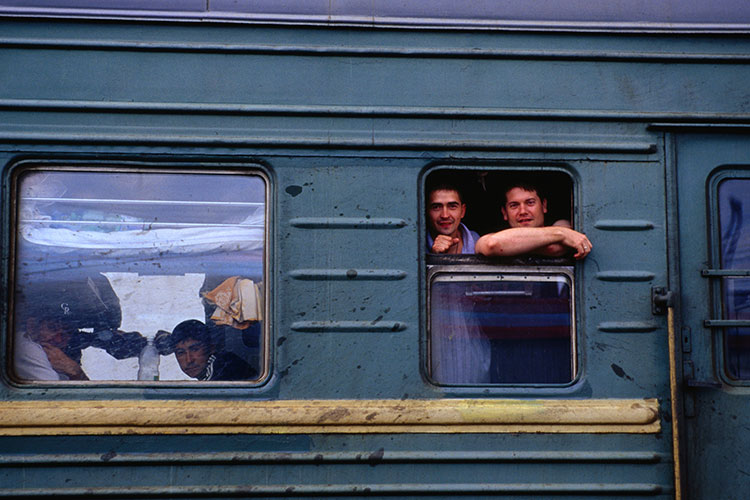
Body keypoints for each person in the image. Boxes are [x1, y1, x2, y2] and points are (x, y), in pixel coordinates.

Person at [475, 181, 592, 259]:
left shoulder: (561, 225)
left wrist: (510, 247)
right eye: (514, 205)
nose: (523, 211)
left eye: (530, 203)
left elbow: (554, 248)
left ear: (544, 205)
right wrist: (562, 234)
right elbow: (492, 244)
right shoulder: (560, 233)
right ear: (505, 213)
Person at [14, 306, 88, 381]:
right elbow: (51, 391)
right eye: (53, 328)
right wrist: (74, 370)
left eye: (68, 332)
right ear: (32, 327)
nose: (59, 339)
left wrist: (76, 371)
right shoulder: (27, 348)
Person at [169, 319, 257, 381]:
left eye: (195, 349)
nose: (189, 360)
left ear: (211, 347)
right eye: (181, 353)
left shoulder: (224, 368)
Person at [426, 182, 480, 254]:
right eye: (436, 207)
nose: (445, 215)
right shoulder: (415, 244)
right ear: (427, 212)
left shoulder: (476, 240)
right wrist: (434, 257)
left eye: (452, 206)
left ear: (462, 211)